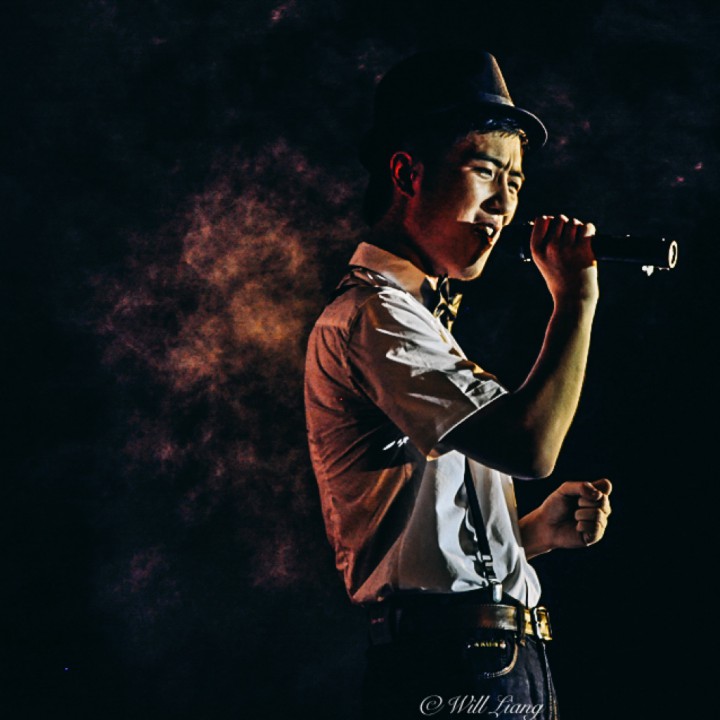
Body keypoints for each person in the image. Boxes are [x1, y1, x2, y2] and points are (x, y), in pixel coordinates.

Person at [303, 48, 612, 720]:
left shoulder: (417, 320)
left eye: (516, 182)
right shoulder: (374, 316)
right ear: (407, 173)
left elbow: (425, 545)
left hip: (494, 661)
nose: (504, 205)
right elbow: (531, 448)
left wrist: (530, 535)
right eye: (485, 171)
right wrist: (575, 300)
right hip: (452, 665)